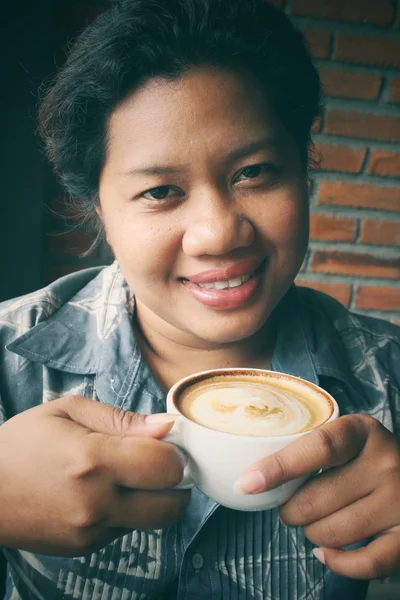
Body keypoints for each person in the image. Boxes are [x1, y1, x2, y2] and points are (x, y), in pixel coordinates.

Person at [0, 0, 399, 598]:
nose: (218, 233)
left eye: (256, 172)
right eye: (161, 190)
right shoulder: (10, 361)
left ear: (303, 173)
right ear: (101, 212)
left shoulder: (389, 373)